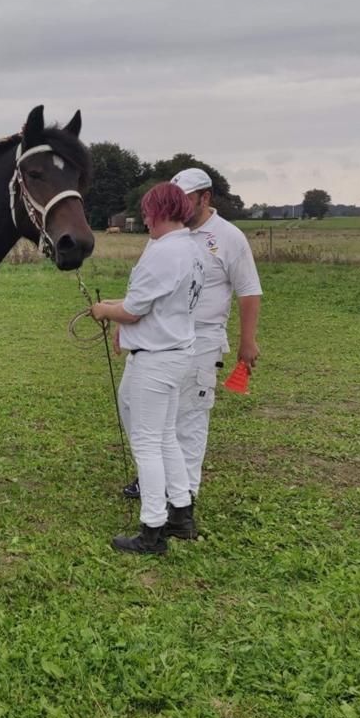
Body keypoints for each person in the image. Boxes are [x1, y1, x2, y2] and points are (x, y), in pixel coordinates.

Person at [119, 167, 262, 539]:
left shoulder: (229, 238)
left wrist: (248, 341)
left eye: (188, 198)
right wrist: (129, 331)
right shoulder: (165, 238)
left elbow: (249, 290)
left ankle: (182, 500)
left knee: (187, 421)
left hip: (199, 338)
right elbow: (147, 291)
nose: (182, 205)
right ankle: (163, 489)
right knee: (150, 416)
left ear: (205, 198)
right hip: (159, 334)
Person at [91, 182, 205, 555]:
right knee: (166, 435)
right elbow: (150, 301)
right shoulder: (190, 248)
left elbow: (134, 311)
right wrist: (115, 303)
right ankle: (181, 512)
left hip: (155, 358)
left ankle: (152, 528)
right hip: (176, 352)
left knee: (146, 441)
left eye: (147, 212)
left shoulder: (162, 253)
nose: (144, 219)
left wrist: (104, 310)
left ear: (158, 213)